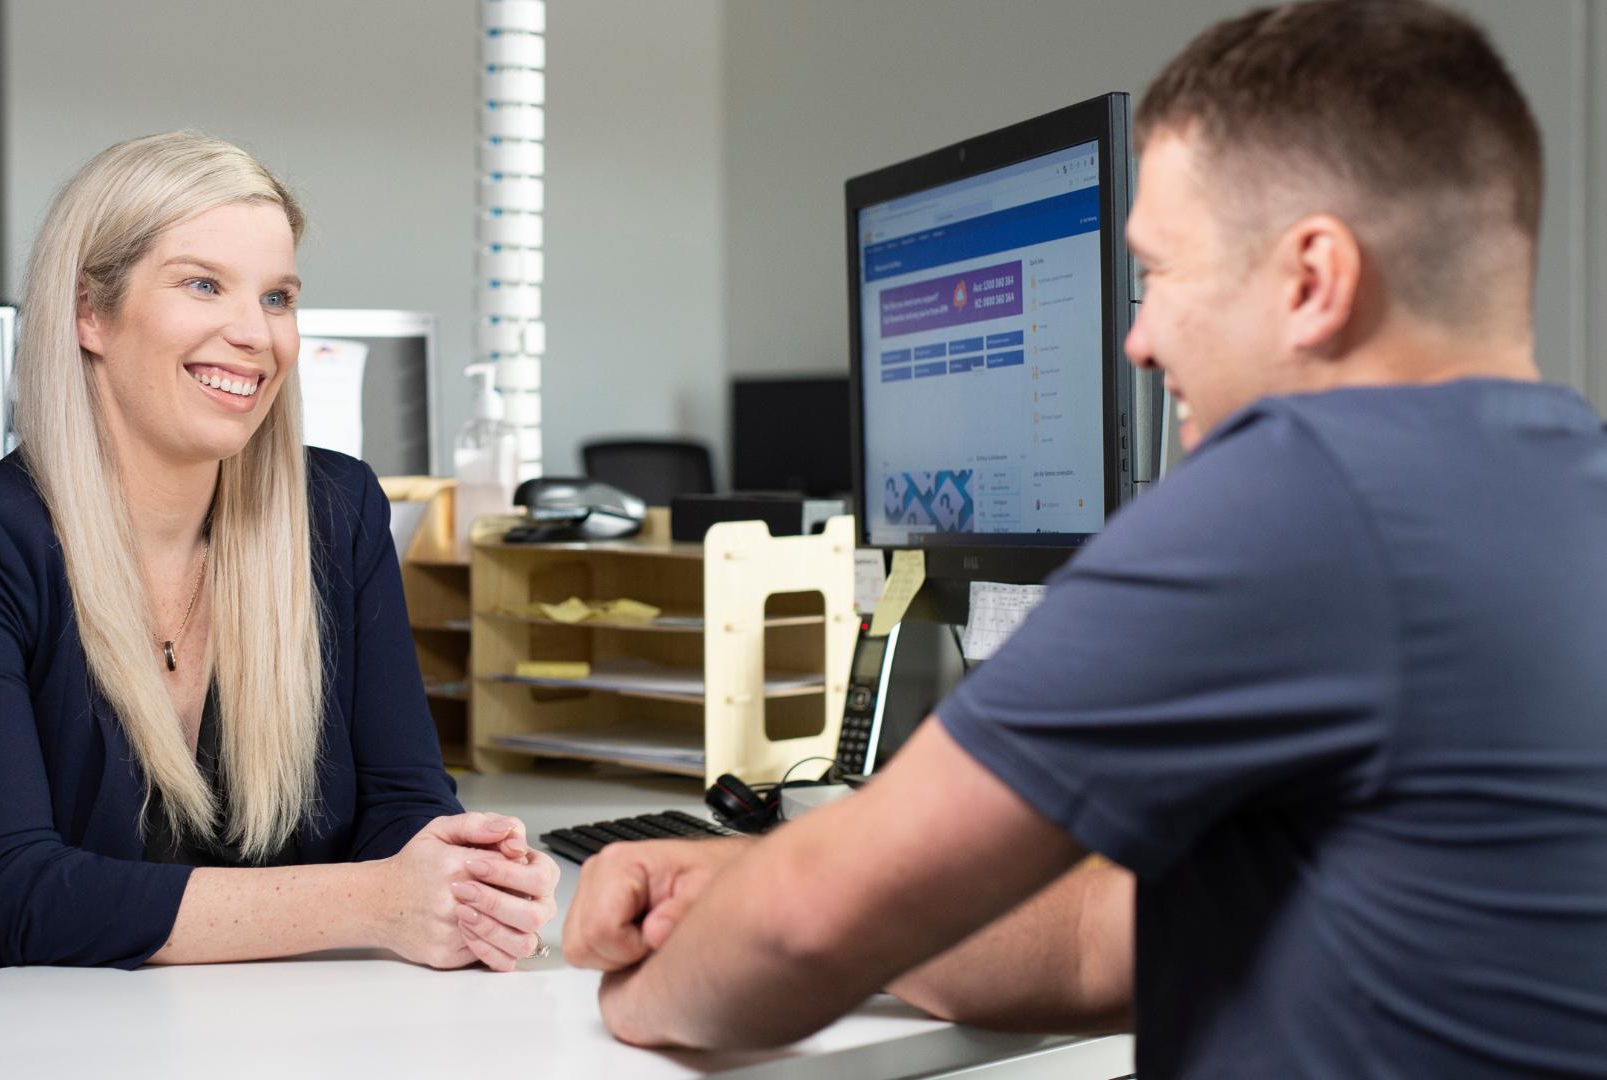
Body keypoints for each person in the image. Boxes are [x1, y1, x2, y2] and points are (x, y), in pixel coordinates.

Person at [562, 1, 1607, 1074]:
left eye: (1157, 274)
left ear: (1311, 281)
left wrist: (642, 991)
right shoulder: (1559, 484)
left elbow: (804, 929)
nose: (1139, 341)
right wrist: (752, 885)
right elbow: (1094, 940)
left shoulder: (1302, 496)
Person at [0, 133, 557, 990]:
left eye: (277, 297)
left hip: (214, 1034)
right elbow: (2, 893)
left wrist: (466, 879)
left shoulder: (337, 512)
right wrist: (376, 902)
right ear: (90, 312)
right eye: (203, 284)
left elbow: (402, 807)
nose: (255, 334)